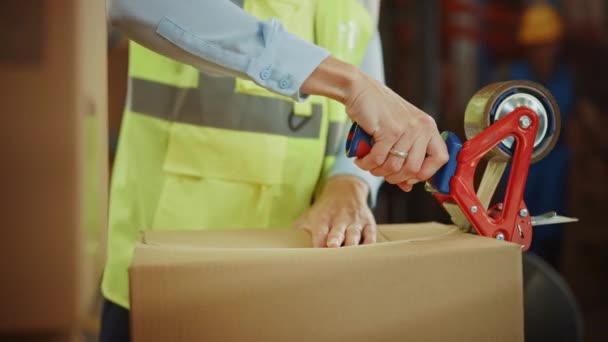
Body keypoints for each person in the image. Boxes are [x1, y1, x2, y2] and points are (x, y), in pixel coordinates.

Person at [101, 1, 449, 341]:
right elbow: (134, 5)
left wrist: (349, 180)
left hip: (299, 274)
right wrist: (349, 83)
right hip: (175, 269)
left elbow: (361, 42)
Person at [503, 3, 575, 268]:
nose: (543, 52)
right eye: (537, 46)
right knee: (517, 232)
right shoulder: (512, 79)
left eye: (547, 45)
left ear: (556, 45)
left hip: (555, 169)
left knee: (552, 232)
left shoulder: (566, 80)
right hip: (521, 168)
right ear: (528, 47)